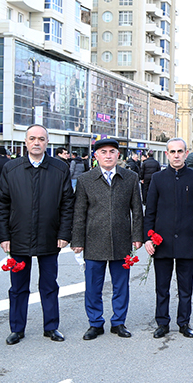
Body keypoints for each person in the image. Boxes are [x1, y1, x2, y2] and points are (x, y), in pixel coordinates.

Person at [0, 124, 75, 345]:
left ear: (47, 142)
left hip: (50, 236)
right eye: (32, 138)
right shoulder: (11, 169)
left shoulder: (59, 169)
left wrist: (64, 232)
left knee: (49, 285)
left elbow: (68, 204)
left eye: (41, 138)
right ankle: (17, 329)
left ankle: (51, 327)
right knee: (18, 287)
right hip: (18, 237)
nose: (36, 142)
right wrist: (3, 236)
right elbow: (1, 204)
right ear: (26, 142)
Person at [71, 138, 143, 341]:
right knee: (93, 285)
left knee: (121, 285)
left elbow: (137, 210)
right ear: (96, 156)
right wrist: (77, 241)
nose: (108, 155)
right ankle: (95, 323)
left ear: (118, 155)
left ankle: (119, 322)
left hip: (122, 239)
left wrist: (137, 236)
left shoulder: (130, 177)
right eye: (104, 152)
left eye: (112, 152)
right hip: (94, 239)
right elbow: (79, 213)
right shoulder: (86, 179)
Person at [144, 137, 193, 338]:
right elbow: (150, 211)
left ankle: (184, 322)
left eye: (180, 151)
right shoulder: (158, 178)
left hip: (188, 241)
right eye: (172, 152)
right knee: (162, 287)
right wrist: (148, 238)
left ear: (186, 153)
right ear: (167, 154)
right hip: (161, 242)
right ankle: (162, 323)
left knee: (185, 286)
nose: (176, 155)